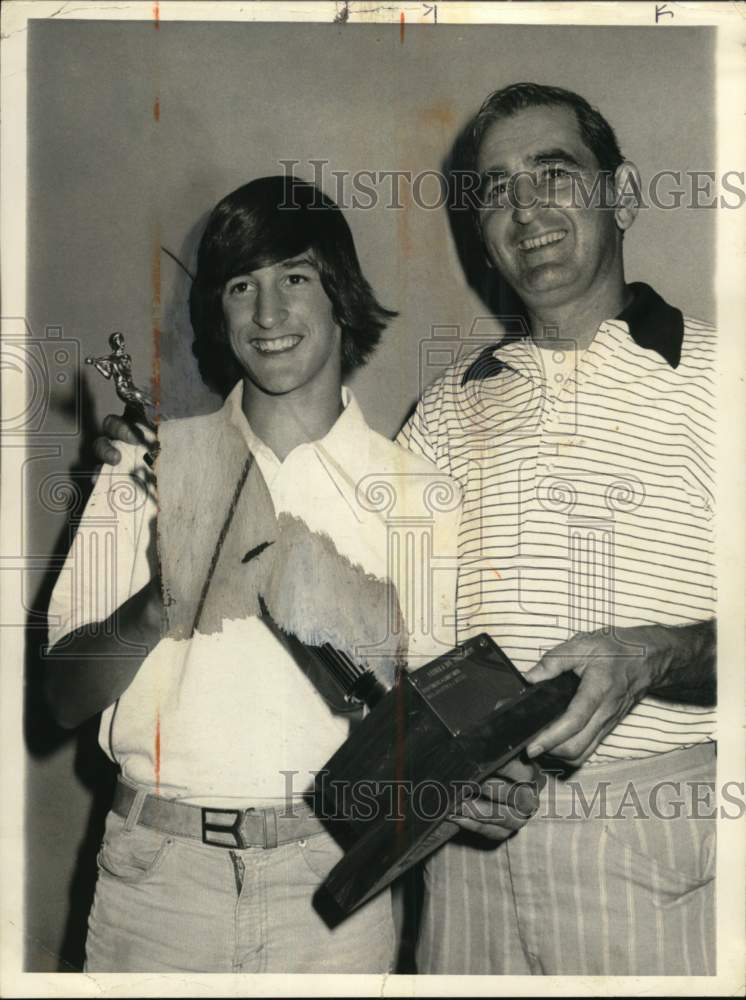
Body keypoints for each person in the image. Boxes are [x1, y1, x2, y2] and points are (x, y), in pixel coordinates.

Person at [46, 176, 538, 973]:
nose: (268, 315)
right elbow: (62, 698)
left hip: (333, 896)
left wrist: (484, 791)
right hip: (155, 886)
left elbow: (438, 728)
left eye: (295, 280)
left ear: (340, 295)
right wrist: (152, 608)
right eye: (242, 286)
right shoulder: (143, 463)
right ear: (219, 311)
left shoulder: (418, 493)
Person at [398, 82, 717, 975]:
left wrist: (656, 654)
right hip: (467, 863)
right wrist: (456, 769)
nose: (524, 209)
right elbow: (414, 645)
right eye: (496, 188)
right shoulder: (443, 411)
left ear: (621, 193)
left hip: (660, 845)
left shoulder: (722, 380)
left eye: (553, 173)